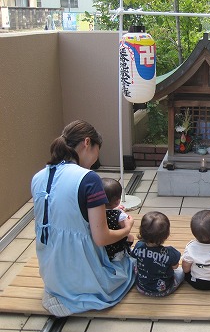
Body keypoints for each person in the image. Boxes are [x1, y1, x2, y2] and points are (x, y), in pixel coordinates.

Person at [31, 120, 135, 316]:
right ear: (87, 142)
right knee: (129, 264)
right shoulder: (89, 179)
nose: (96, 158)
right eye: (98, 150)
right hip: (82, 277)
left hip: (52, 276)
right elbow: (101, 238)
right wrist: (127, 229)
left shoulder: (38, 177)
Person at [131, 211, 184, 297]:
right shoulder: (170, 252)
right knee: (181, 272)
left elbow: (133, 257)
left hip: (141, 287)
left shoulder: (138, 246)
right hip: (164, 290)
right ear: (166, 235)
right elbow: (175, 266)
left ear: (141, 231)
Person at [101, 177, 134, 261]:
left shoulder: (95, 212)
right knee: (130, 237)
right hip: (116, 249)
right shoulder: (119, 215)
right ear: (117, 201)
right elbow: (125, 226)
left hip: (101, 248)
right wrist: (130, 221)